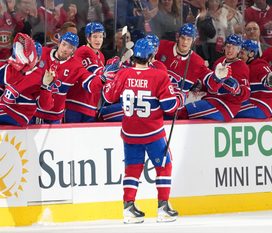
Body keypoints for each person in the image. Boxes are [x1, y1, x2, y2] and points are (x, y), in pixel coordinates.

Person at [102, 38, 183, 224]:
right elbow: (170, 106)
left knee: (132, 167)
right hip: (152, 132)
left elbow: (108, 96)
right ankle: (163, 207)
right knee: (164, 165)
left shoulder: (123, 74)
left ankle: (128, 208)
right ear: (151, 56)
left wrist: (108, 76)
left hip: (130, 132)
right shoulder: (159, 76)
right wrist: (180, 96)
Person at [32, 32, 118, 124]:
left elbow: (90, 84)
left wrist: (103, 77)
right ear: (59, 43)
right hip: (35, 111)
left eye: (70, 47)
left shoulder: (75, 66)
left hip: (55, 116)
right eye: (64, 44)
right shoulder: (43, 53)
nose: (65, 49)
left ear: (74, 50)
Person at [155, 23, 229, 107]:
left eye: (189, 39)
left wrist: (217, 77)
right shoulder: (162, 46)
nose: (185, 42)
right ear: (178, 37)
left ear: (194, 40)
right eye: (183, 38)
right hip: (155, 100)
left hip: (176, 107)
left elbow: (210, 84)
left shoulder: (197, 62)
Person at [0, 33, 52, 126]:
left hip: (19, 115)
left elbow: (45, 106)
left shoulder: (41, 77)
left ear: (38, 58)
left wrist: (45, 86)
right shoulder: (14, 68)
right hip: (5, 108)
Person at [65, 22, 106, 123]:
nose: (98, 40)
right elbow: (95, 72)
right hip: (75, 104)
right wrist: (111, 70)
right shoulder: (83, 51)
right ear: (88, 38)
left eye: (100, 37)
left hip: (90, 106)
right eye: (95, 36)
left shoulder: (101, 56)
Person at [236, 39, 272, 119]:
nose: (239, 56)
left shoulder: (259, 65)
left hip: (262, 105)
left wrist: (270, 80)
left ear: (251, 54)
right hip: (253, 103)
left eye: (242, 53)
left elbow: (271, 80)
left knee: (231, 109)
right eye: (239, 53)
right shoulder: (243, 66)